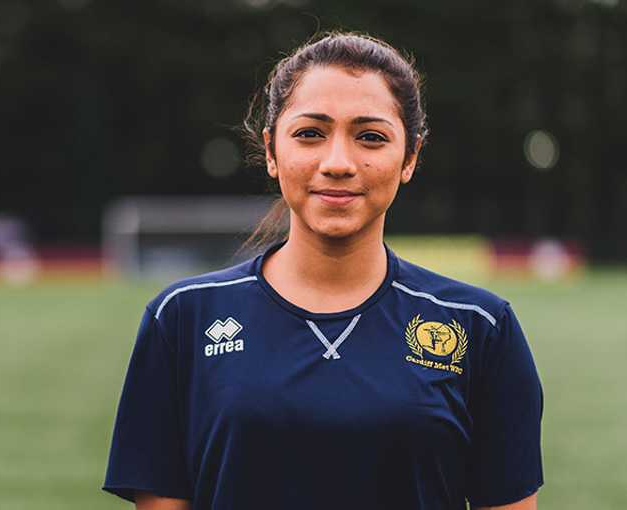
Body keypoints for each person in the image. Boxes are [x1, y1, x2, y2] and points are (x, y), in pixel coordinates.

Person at [103, 31, 543, 510]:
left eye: (370, 137)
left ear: (410, 157)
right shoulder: (182, 318)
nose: (337, 163)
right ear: (272, 151)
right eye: (310, 133)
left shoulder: (479, 327)